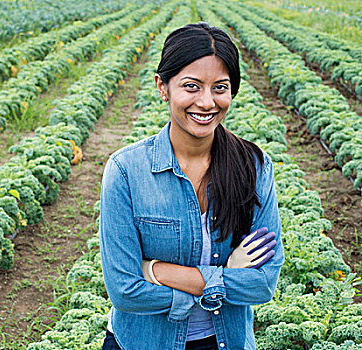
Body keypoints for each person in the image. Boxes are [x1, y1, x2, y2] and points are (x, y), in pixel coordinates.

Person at [99, 22, 284, 350]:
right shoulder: (126, 172)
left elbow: (262, 283)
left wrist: (156, 270)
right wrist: (222, 278)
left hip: (224, 342)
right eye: (191, 86)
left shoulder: (254, 168)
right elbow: (124, 291)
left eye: (220, 87)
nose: (206, 102)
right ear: (163, 87)